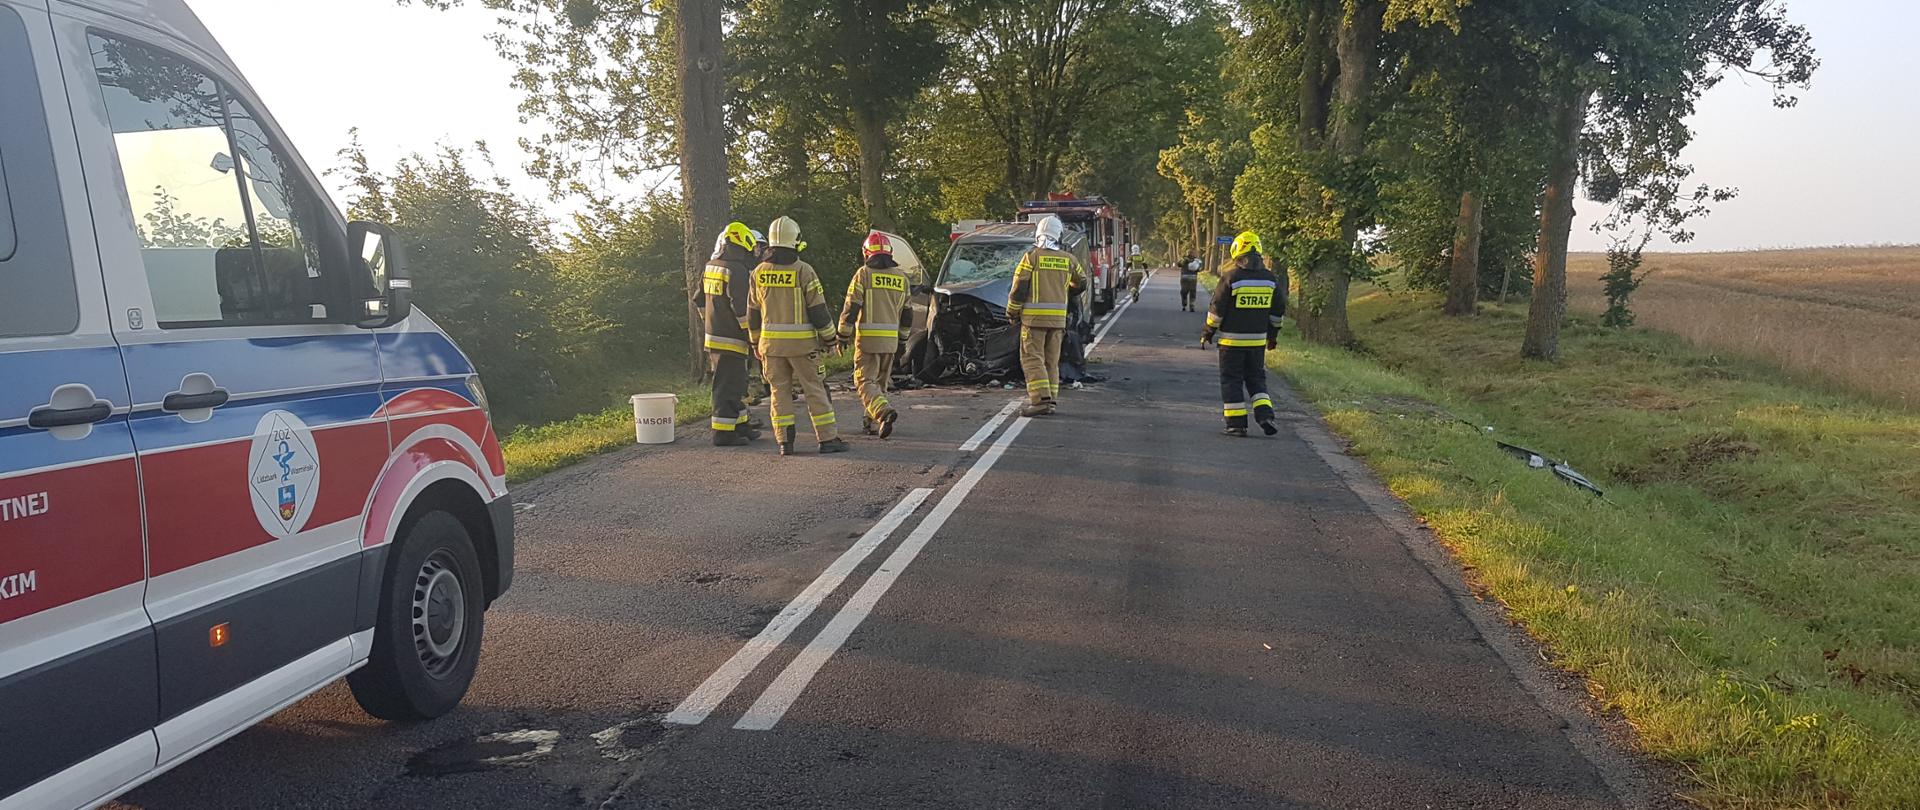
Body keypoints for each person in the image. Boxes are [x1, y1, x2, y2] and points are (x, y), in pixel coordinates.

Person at [748, 216, 850, 455]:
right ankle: (827, 440)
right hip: (803, 347)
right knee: (814, 389)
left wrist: (754, 342)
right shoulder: (803, 270)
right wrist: (830, 339)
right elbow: (818, 311)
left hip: (770, 347)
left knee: (779, 392)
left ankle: (785, 442)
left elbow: (752, 313)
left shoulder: (759, 272)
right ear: (795, 240)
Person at [1201, 231, 1287, 438]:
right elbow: (1278, 312)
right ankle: (1266, 416)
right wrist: (1272, 337)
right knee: (1257, 379)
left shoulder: (1231, 278)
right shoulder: (1270, 280)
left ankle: (1236, 425)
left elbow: (1217, 310)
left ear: (1238, 254)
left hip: (1231, 342)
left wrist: (1208, 331)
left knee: (1231, 380)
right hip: (1257, 342)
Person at [1007, 215, 1088, 417]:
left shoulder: (1031, 258)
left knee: (1032, 359)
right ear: (1058, 235)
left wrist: (1012, 311)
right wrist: (1065, 289)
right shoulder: (1069, 259)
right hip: (1057, 321)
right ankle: (1050, 400)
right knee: (1052, 362)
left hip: (1033, 320)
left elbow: (1019, 288)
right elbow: (1082, 283)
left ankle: (1040, 400)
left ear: (1039, 234)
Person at [695, 222, 761, 446]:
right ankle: (722, 433)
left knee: (735, 383)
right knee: (726, 386)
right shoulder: (737, 270)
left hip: (715, 336)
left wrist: (710, 323)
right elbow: (742, 309)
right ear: (743, 245)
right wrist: (753, 337)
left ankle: (740, 425)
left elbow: (698, 300)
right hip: (733, 339)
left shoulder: (710, 265)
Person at [839, 231, 910, 438]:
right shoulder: (901, 278)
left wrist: (843, 334)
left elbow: (852, 306)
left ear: (866, 253)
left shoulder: (864, 274)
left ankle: (883, 412)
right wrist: (903, 341)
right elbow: (907, 315)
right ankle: (871, 422)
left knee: (864, 382)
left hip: (868, 340)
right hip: (890, 342)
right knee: (879, 383)